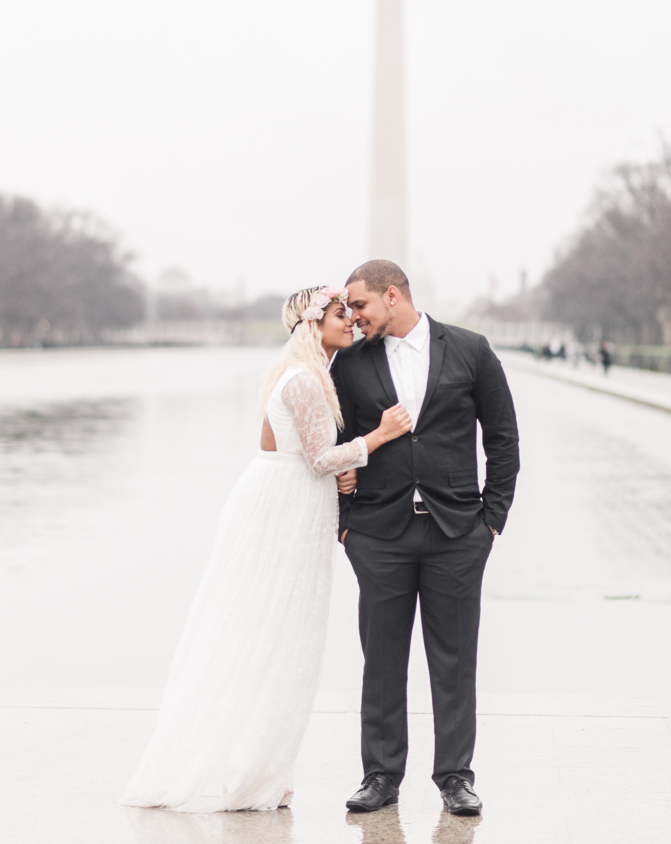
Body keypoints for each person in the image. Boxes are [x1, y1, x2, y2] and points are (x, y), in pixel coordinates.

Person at [119, 285, 410, 813]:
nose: (350, 322)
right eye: (340, 314)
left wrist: (342, 474)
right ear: (312, 324)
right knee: (277, 635)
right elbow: (318, 458)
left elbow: (300, 454)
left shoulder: (306, 375)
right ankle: (257, 771)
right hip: (282, 511)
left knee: (282, 636)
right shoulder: (302, 380)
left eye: (350, 313)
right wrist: (379, 437)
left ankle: (266, 767)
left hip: (291, 503)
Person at [332, 260, 520, 818]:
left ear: (393, 295)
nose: (353, 316)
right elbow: (335, 442)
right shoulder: (350, 363)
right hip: (378, 533)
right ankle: (381, 775)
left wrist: (492, 520)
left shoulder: (471, 349)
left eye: (360, 305)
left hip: (458, 533)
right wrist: (347, 521)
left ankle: (456, 777)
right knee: (381, 660)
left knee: (455, 661)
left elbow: (504, 438)